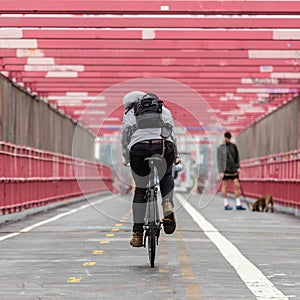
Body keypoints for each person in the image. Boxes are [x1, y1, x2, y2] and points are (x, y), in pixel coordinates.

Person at [121, 91, 180, 247]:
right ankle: (167, 203)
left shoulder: (130, 113)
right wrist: (176, 154)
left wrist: (126, 157)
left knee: (140, 189)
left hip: (138, 149)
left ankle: (138, 234)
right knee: (166, 174)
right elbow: (172, 134)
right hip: (163, 147)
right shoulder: (163, 110)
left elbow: (124, 136)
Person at [217, 131, 246, 211]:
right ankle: (226, 204)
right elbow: (219, 160)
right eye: (226, 138)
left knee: (237, 185)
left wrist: (238, 167)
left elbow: (237, 157)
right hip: (225, 170)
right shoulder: (220, 148)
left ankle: (238, 203)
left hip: (233, 169)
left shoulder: (234, 146)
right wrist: (220, 171)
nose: (227, 140)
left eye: (228, 138)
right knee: (224, 186)